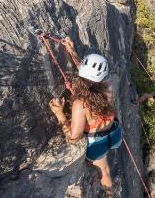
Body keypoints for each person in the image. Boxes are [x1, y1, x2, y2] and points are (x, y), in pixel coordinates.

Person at [48, 37, 121, 197]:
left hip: (97, 142)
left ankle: (110, 196)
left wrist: (59, 113)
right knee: (105, 164)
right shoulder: (107, 85)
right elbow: (87, 72)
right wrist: (71, 50)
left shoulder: (81, 104)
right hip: (115, 132)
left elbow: (74, 137)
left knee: (104, 170)